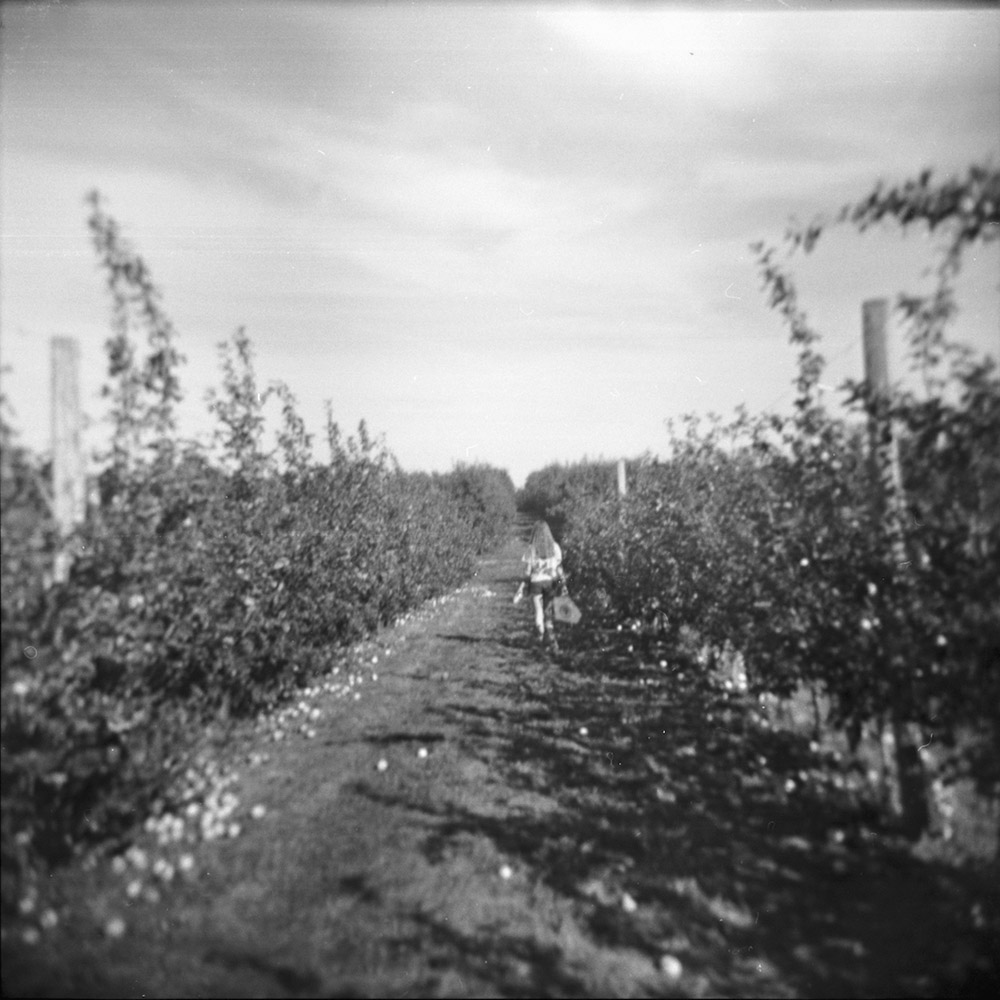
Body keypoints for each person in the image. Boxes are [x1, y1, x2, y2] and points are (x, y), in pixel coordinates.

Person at [515, 520, 565, 651]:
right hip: (550, 583)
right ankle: (551, 639)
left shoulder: (531, 549)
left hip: (536, 583)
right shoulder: (555, 547)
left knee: (538, 612)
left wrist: (521, 588)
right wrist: (562, 584)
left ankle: (540, 638)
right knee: (548, 611)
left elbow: (527, 572)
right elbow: (559, 569)